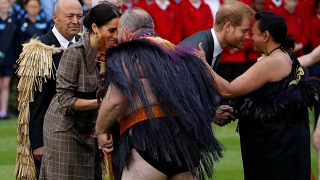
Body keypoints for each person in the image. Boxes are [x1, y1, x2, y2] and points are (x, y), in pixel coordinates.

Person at [95, 7, 222, 180]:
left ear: (125, 32)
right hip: (186, 147)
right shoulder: (178, 53)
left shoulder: (127, 54)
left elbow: (116, 101)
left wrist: (101, 131)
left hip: (149, 143)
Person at [202, 11, 320, 180]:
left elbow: (228, 89)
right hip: (285, 147)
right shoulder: (286, 55)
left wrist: (202, 63)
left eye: (253, 33)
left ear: (266, 36)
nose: (249, 37)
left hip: (273, 152)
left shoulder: (271, 63)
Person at [40, 3, 121, 179]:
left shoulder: (110, 54)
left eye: (118, 31)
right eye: (112, 30)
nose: (116, 36)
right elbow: (65, 101)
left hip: (88, 130)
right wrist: (103, 103)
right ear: (94, 28)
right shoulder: (74, 53)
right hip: (63, 130)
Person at [19, 0, 83, 177]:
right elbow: (33, 100)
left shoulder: (84, 45)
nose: (76, 21)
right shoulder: (40, 50)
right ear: (55, 17)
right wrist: (38, 142)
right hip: (51, 136)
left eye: (79, 16)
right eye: (69, 16)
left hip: (81, 135)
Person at [179, 1, 255, 124]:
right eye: (244, 30)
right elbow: (183, 98)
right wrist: (212, 113)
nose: (248, 36)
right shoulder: (197, 49)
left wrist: (215, 109)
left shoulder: (211, 45)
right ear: (228, 27)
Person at [0, 0, 18, 120]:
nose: (3, 6)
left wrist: (15, 60)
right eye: (1, 3)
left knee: (5, 85)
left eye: (5, 3)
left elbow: (16, 42)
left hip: (8, 59)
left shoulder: (13, 20)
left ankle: (3, 111)